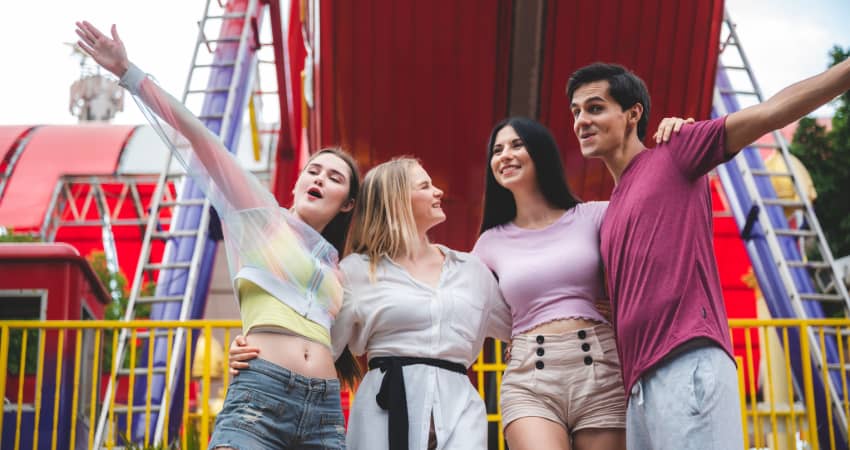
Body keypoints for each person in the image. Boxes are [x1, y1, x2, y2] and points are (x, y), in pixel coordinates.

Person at [75, 21, 362, 449]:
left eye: (334, 177)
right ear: (297, 182)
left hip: (323, 411)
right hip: (259, 400)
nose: (318, 178)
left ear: (347, 203)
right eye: (312, 170)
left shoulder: (339, 267)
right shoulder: (263, 221)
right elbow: (201, 137)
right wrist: (128, 73)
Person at [566, 60, 850, 449]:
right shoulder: (610, 212)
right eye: (576, 111)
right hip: (637, 389)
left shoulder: (676, 151)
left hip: (687, 364)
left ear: (633, 114)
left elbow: (771, 112)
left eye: (595, 107)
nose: (581, 120)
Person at [233, 157, 513, 449]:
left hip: (459, 413)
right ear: (398, 200)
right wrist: (256, 349)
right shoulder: (355, 272)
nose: (439, 192)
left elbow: (520, 328)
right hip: (383, 412)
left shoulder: (472, 270)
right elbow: (319, 344)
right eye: (426, 186)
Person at [472, 116, 688, 450]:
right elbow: (465, 305)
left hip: (601, 367)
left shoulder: (595, 215)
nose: (505, 155)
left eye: (516, 144)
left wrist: (682, 136)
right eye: (497, 150)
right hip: (530, 374)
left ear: (541, 153)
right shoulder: (489, 243)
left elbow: (659, 223)